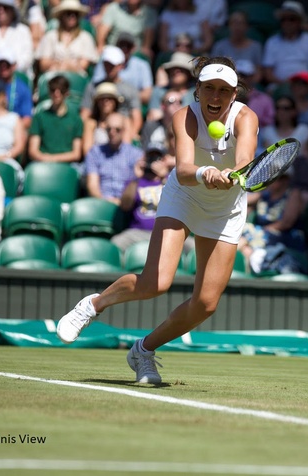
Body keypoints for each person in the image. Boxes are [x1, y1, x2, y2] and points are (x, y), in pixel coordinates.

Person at [56, 56, 260, 384]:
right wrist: (207, 171)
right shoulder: (184, 117)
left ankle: (143, 351)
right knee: (156, 283)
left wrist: (233, 172)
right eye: (210, 89)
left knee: (206, 304)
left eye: (224, 91)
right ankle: (94, 305)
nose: (217, 97)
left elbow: (246, 158)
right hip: (185, 196)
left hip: (226, 210)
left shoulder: (246, 117)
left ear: (234, 94)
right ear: (198, 90)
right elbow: (183, 169)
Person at [110, 144, 170, 251]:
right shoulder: (135, 182)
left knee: (193, 247)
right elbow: (125, 205)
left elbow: (178, 203)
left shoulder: (170, 180)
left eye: (157, 158)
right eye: (150, 157)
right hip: (138, 233)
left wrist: (164, 176)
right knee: (116, 242)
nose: (153, 161)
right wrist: (136, 178)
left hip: (166, 233)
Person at [81, 45, 143, 140]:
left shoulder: (130, 89)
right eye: (107, 64)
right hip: (98, 131)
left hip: (123, 132)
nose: (109, 67)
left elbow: (136, 117)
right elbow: (85, 115)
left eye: (112, 65)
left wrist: (130, 137)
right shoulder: (92, 87)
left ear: (121, 65)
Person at [84, 112, 143, 205]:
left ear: (124, 130)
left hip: (127, 205)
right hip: (101, 204)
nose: (112, 132)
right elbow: (92, 185)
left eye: (117, 129)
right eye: (109, 129)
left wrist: (122, 203)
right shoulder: (95, 152)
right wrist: (105, 202)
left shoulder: (135, 154)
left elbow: (136, 184)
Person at [262, 1, 308, 87]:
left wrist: (301, 83)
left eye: (292, 19)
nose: (287, 23)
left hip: (306, 85)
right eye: (284, 19)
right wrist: (284, 84)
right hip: (279, 85)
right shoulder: (272, 41)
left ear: (299, 22)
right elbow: (268, 73)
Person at [28, 75, 84, 166]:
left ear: (67, 93)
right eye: (53, 90)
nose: (56, 94)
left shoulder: (76, 120)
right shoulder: (39, 117)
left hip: (68, 165)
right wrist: (47, 159)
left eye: (61, 90)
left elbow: (76, 154)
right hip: (42, 163)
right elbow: (33, 151)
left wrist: (51, 158)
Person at [35, 0, 99, 75]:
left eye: (75, 14)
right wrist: (64, 64)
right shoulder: (50, 36)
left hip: (77, 78)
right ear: (62, 15)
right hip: (53, 77)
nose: (72, 16)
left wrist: (60, 64)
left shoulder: (86, 37)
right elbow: (43, 64)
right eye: (68, 13)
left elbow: (83, 65)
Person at [210, 10, 263, 83]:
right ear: (229, 25)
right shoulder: (219, 46)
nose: (237, 27)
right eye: (234, 23)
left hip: (248, 87)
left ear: (247, 26)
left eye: (241, 23)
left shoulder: (256, 47)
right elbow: (214, 70)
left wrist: (246, 86)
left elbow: (258, 73)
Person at [145, 51, 196, 122]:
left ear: (189, 73)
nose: (176, 71)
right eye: (173, 68)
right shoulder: (159, 91)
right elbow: (153, 116)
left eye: (180, 69)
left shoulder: (196, 93)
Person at [83, 82, 124, 155]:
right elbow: (87, 151)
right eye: (102, 99)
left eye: (109, 98)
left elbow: (125, 148)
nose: (106, 102)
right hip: (96, 162)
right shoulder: (91, 123)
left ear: (115, 102)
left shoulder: (124, 121)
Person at [234, 60, 274, 127]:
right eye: (237, 75)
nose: (239, 79)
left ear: (251, 77)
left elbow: (269, 122)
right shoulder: (225, 96)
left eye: (243, 76)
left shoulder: (264, 99)